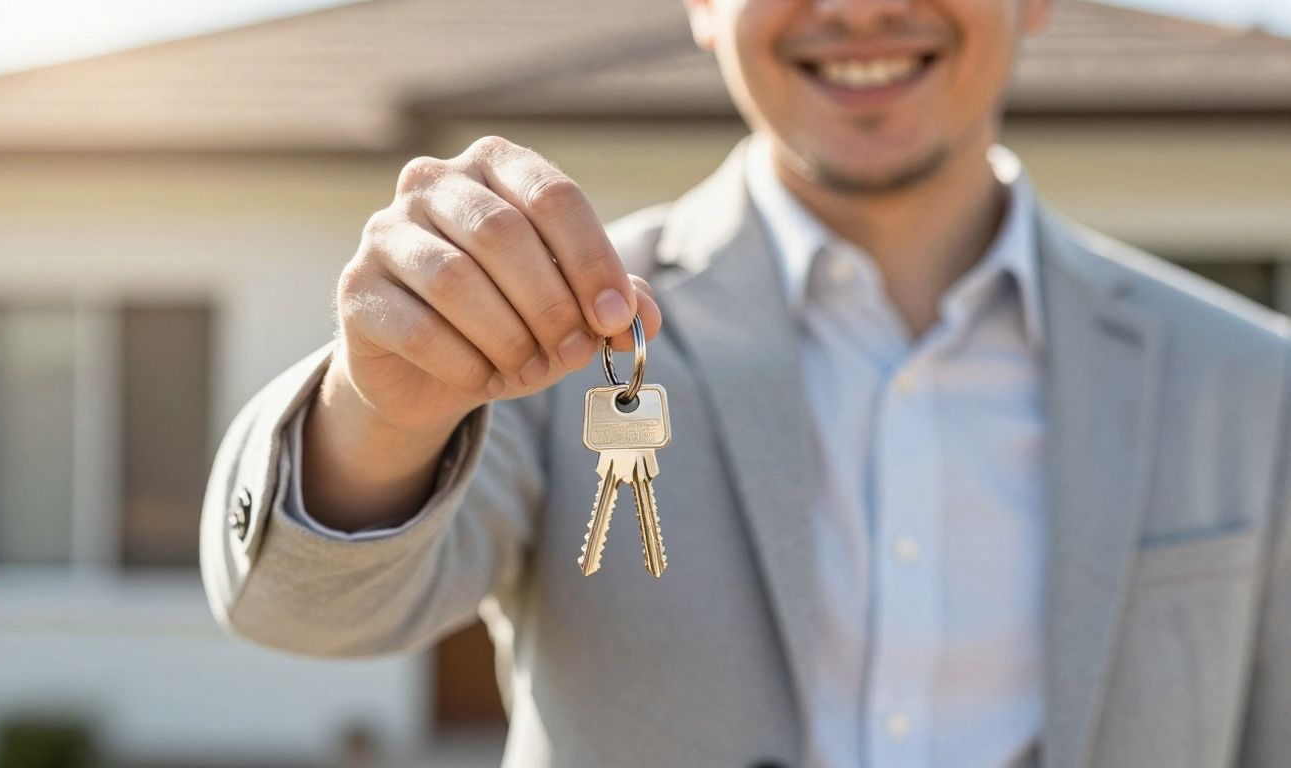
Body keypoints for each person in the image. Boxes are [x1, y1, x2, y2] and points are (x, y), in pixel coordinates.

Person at [200, 0, 1291, 765]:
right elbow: (301, 611)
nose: (861, 8)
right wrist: (380, 407)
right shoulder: (546, 325)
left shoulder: (1249, 385)